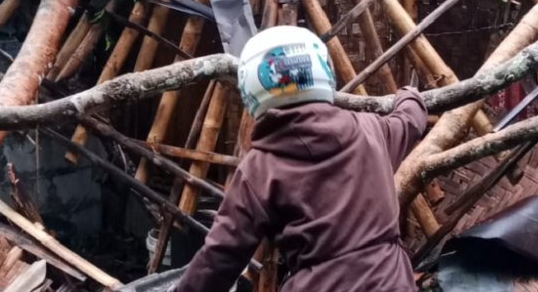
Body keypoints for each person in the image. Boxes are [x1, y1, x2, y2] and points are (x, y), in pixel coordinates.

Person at [173, 26, 427, 292]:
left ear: (251, 87)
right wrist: (409, 95)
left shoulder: (260, 169)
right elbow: (410, 120)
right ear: (323, 70)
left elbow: (220, 258)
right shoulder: (370, 130)